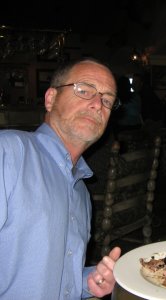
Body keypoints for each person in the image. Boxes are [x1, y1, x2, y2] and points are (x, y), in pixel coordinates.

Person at [0, 58, 122, 299]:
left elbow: (56, 276)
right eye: (84, 90)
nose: (98, 104)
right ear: (50, 99)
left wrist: (89, 281)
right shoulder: (9, 153)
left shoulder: (81, 192)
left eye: (107, 100)